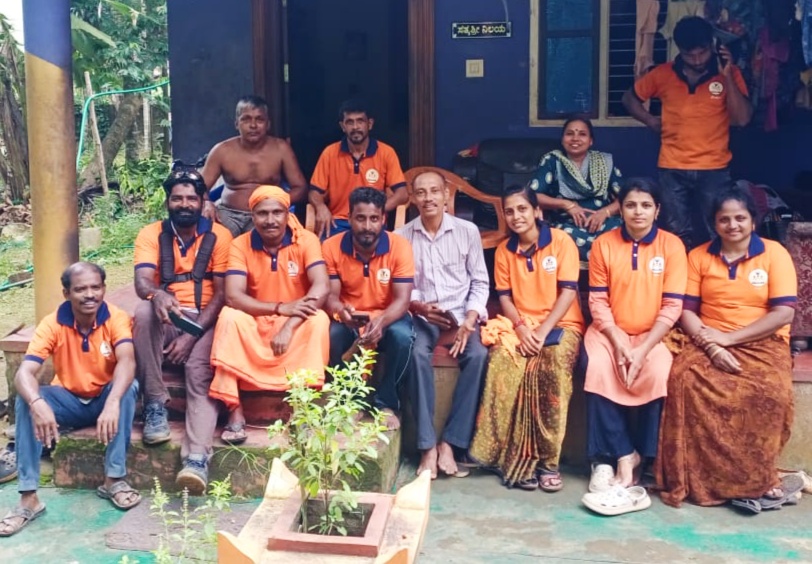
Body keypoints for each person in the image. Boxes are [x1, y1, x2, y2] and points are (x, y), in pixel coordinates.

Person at [657, 188, 798, 509]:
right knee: (684, 380)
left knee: (769, 392)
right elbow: (687, 311)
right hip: (708, 337)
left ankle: (758, 478)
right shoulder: (699, 256)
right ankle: (704, 480)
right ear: (714, 223)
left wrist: (730, 340)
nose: (732, 225)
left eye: (740, 218)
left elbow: (783, 314)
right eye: (724, 219)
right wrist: (712, 345)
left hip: (764, 341)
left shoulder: (774, 254)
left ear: (753, 221)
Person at [0, 263, 140, 537]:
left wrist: (112, 402)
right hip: (68, 400)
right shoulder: (52, 324)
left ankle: (114, 480)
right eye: (80, 289)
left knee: (127, 388)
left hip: (104, 399)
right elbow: (24, 373)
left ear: (104, 289)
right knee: (26, 401)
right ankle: (29, 498)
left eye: (95, 287)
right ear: (66, 293)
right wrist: (37, 403)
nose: (89, 294)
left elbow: (127, 360)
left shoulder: (116, 318)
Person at [468, 185, 584, 492]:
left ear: (537, 211)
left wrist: (542, 332)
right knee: (502, 361)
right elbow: (505, 298)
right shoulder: (504, 251)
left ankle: (548, 462)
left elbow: (568, 292)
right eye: (509, 211)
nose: (516, 216)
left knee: (553, 367)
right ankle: (506, 457)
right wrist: (521, 329)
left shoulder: (561, 242)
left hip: (562, 324)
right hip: (520, 325)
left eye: (522, 209)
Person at [581, 179, 686, 504]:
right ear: (621, 210)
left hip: (655, 335)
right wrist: (619, 342)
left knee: (657, 373)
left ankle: (645, 456)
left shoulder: (672, 246)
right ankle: (615, 456)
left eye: (645, 205)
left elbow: (672, 305)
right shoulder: (604, 244)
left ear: (657, 210)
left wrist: (641, 350)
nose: (638, 212)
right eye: (630, 205)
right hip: (609, 331)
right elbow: (598, 301)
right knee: (597, 368)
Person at [133, 167, 232, 494]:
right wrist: (157, 294)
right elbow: (142, 282)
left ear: (203, 201)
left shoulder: (220, 236)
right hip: (169, 315)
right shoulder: (151, 234)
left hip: (206, 320)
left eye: (191, 198)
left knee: (197, 371)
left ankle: (197, 458)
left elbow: (222, 294)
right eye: (177, 198)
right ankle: (155, 404)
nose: (185, 204)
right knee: (143, 312)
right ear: (168, 202)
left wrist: (192, 336)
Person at [209, 185, 330, 442]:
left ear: (288, 214)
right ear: (252, 216)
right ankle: (235, 412)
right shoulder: (240, 245)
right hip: (256, 320)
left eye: (277, 212)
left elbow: (321, 286)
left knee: (319, 320)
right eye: (262, 213)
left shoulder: (306, 240)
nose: (270, 220)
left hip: (294, 322)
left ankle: (302, 411)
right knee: (229, 317)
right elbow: (233, 296)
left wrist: (288, 324)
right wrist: (278, 308)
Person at [622, 16, 752, 250]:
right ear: (679, 50)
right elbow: (629, 98)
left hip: (714, 168)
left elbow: (742, 118)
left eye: (702, 53)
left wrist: (727, 75)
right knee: (676, 233)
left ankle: (718, 272)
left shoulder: (728, 74)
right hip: (672, 167)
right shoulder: (663, 74)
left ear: (712, 46)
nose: (698, 60)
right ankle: (681, 273)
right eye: (690, 55)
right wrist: (650, 120)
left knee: (720, 229)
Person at [395, 170, 490, 479]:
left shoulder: (467, 231)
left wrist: (470, 319)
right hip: (423, 316)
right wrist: (419, 306)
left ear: (446, 195)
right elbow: (402, 286)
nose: (429, 198)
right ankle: (427, 447)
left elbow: (480, 282)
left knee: (478, 355)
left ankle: (451, 442)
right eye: (421, 193)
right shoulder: (401, 237)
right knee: (416, 354)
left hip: (461, 315)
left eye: (435, 191)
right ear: (412, 198)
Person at [323, 187, 414, 430]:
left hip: (389, 316)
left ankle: (386, 403)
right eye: (360, 218)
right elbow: (330, 297)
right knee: (332, 334)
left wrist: (381, 321)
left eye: (374, 218)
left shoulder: (400, 246)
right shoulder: (331, 247)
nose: (367, 226)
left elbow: (402, 300)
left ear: (383, 218)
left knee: (403, 338)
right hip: (351, 317)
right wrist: (341, 311)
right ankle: (350, 402)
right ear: (349, 218)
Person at [201, 95, 308, 236]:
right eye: (246, 119)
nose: (253, 125)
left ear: (268, 124)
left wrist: (275, 202)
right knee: (213, 239)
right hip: (227, 215)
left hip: (266, 215)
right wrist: (206, 202)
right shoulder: (221, 150)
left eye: (259, 119)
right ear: (237, 124)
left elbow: (300, 188)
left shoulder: (281, 149)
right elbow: (199, 187)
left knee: (263, 242)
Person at [309, 99, 409, 239]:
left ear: (370, 124)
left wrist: (377, 210)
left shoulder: (386, 152)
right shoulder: (330, 153)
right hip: (339, 223)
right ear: (343, 126)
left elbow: (402, 194)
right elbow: (314, 192)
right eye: (350, 122)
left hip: (372, 222)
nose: (355, 127)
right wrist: (321, 207)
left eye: (360, 121)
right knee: (325, 250)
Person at [530, 117, 623, 261]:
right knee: (563, 238)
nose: (575, 138)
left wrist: (605, 212)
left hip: (603, 221)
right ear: (562, 140)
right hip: (567, 224)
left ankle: (607, 266)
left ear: (591, 141)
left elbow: (625, 198)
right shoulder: (552, 161)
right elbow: (532, 196)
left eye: (582, 134)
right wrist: (567, 205)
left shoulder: (604, 162)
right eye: (570, 133)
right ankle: (602, 261)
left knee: (621, 234)